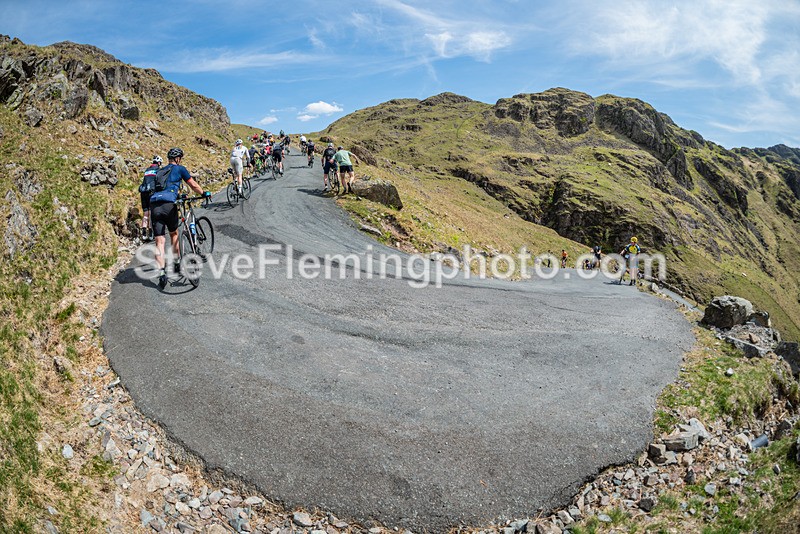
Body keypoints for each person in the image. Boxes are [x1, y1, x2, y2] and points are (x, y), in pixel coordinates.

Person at [148, 147, 211, 289]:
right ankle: (176, 264)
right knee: (174, 234)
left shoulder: (160, 171)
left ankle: (161, 274)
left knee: (159, 241)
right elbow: (193, 184)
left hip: (155, 206)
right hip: (169, 205)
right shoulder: (180, 169)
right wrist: (204, 192)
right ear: (178, 159)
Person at [139, 155, 162, 241]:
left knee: (145, 213)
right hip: (151, 192)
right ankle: (151, 233)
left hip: (143, 192)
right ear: (159, 163)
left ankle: (144, 234)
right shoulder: (158, 170)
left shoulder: (147, 170)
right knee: (152, 213)